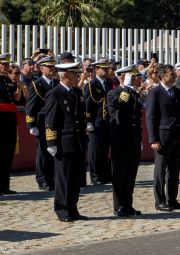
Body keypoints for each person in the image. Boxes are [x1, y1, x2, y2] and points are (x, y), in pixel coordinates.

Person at [44, 61, 88, 222]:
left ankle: (72, 208)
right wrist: (51, 142)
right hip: (63, 142)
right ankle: (62, 209)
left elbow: (81, 118)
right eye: (75, 74)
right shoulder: (55, 94)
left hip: (77, 142)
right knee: (63, 179)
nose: (78, 77)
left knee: (75, 178)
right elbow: (50, 120)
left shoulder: (77, 92)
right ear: (67, 75)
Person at [146, 64, 180, 211]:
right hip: (163, 137)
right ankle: (160, 201)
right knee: (160, 171)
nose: (175, 76)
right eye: (171, 74)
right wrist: (154, 140)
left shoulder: (176, 91)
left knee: (174, 170)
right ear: (163, 76)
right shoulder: (155, 92)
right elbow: (151, 117)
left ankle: (172, 199)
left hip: (176, 137)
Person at [106, 65, 144, 217]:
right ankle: (119, 206)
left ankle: (128, 204)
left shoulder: (133, 93)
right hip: (120, 139)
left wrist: (139, 138)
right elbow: (117, 112)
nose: (136, 79)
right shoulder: (114, 93)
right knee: (120, 174)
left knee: (130, 174)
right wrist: (126, 89)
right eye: (133, 77)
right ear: (122, 77)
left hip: (133, 139)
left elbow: (136, 118)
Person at [26, 55, 57, 191]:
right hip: (42, 122)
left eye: (53, 66)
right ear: (42, 68)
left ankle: (52, 178)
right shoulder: (36, 84)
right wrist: (31, 125)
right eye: (49, 67)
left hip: (56, 121)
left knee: (54, 151)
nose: (51, 69)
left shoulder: (56, 83)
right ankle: (42, 179)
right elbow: (30, 106)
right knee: (43, 152)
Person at [83, 58, 114, 186]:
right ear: (96, 70)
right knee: (95, 151)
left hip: (106, 122)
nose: (106, 70)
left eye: (107, 68)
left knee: (104, 150)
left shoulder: (108, 83)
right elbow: (87, 104)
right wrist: (88, 120)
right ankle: (95, 176)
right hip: (95, 122)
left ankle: (104, 175)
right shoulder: (91, 85)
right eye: (104, 68)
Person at [0, 54, 21, 194]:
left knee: (8, 151)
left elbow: (15, 99)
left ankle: (4, 186)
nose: (7, 66)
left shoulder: (7, 79)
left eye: (8, 64)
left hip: (10, 117)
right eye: (4, 64)